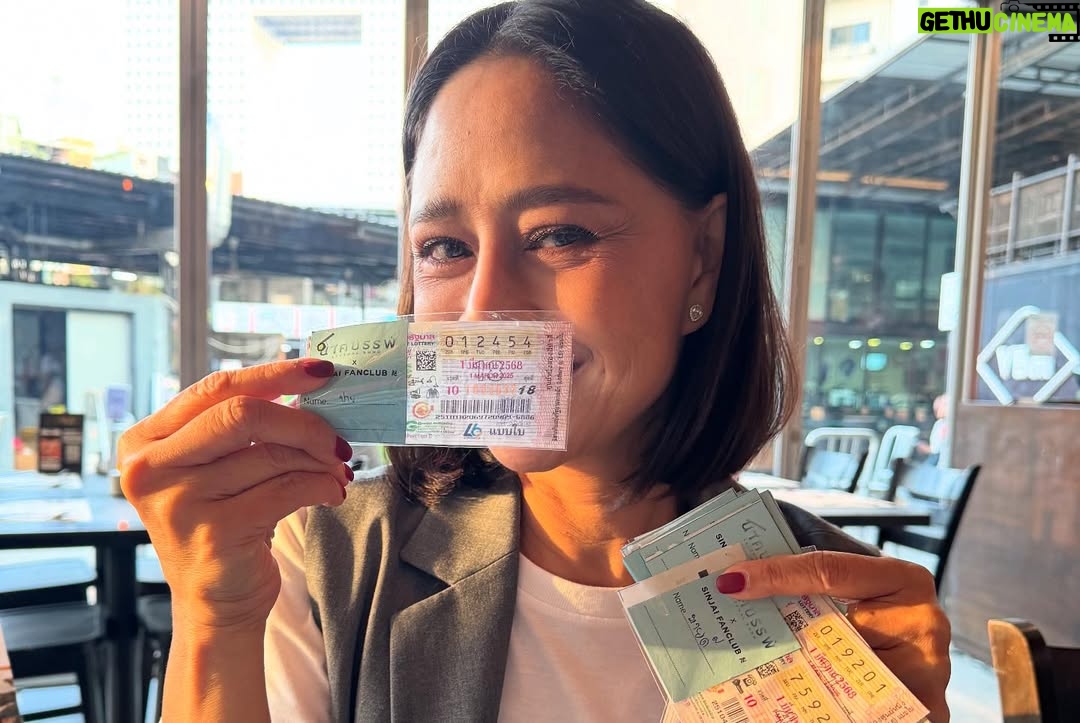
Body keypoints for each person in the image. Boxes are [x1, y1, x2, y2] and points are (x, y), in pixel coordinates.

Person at [118, 2, 951, 721]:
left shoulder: (843, 613)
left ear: (702, 258)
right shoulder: (324, 559)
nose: (483, 308)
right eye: (445, 246)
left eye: (560, 233)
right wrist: (214, 619)